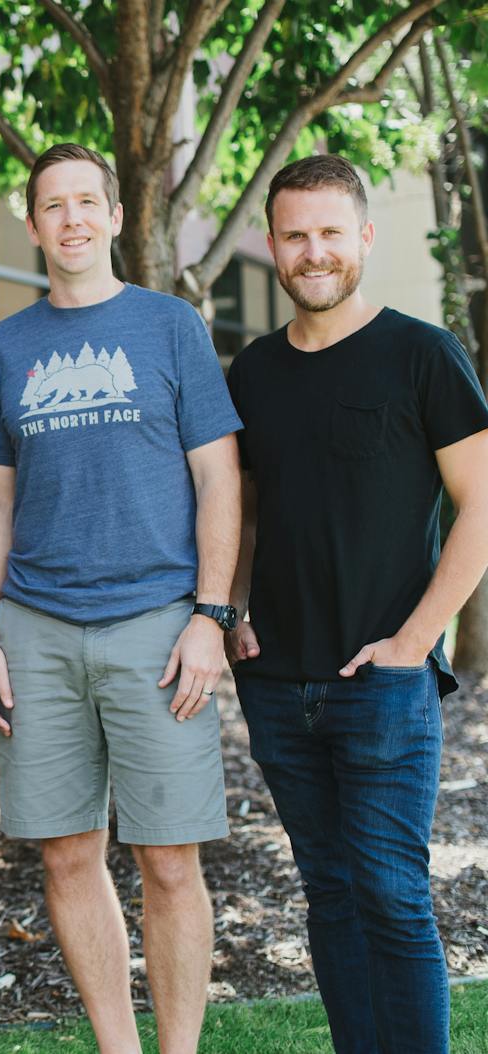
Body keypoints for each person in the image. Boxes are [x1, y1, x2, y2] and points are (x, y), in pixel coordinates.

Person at [0, 143, 242, 1053]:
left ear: (116, 217)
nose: (73, 219)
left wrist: (211, 616)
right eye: (55, 205)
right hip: (36, 627)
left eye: (89, 202)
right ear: (35, 223)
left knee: (168, 858)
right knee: (67, 850)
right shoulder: (6, 347)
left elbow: (219, 477)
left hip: (160, 626)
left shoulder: (171, 327)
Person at [225, 154, 488, 1053]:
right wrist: (230, 608)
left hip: (383, 678)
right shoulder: (253, 372)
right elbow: (246, 510)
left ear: (365, 238)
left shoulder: (422, 354)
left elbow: (482, 503)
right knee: (329, 890)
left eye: (332, 232)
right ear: (273, 246)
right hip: (276, 681)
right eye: (296, 235)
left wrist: (417, 640)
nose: (315, 251)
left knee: (392, 893)